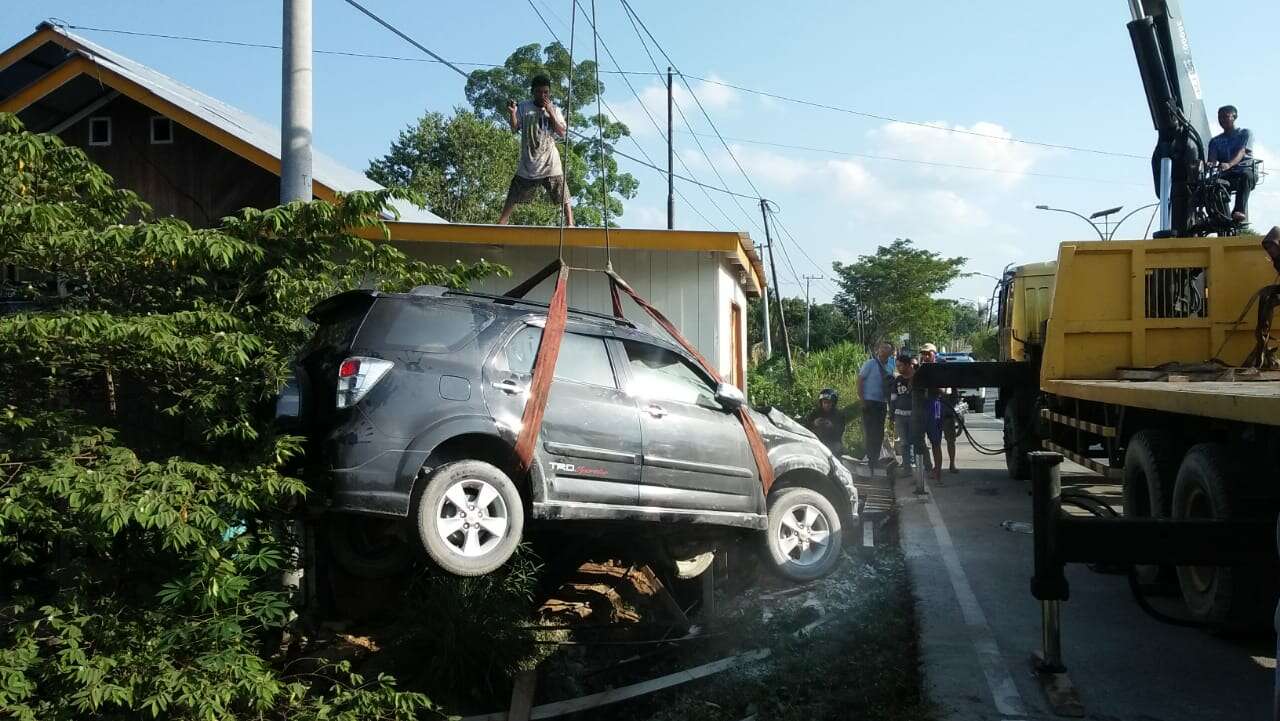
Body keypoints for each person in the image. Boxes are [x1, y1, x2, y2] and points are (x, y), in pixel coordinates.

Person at [497, 75, 574, 226]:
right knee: (514, 192)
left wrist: (550, 112)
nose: (543, 96)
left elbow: (561, 132)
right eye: (539, 92)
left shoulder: (555, 109)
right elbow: (514, 127)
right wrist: (512, 112)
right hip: (530, 161)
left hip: (549, 161)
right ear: (533, 92)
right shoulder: (525, 107)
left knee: (562, 192)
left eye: (546, 92)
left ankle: (570, 223)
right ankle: (502, 222)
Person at [1206, 105, 1257, 223]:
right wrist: (1205, 164)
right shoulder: (1215, 141)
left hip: (1244, 171)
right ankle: (1219, 216)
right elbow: (1212, 161)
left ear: (1234, 117)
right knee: (1209, 184)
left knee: (1246, 175)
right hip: (1228, 175)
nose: (1222, 120)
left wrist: (1229, 164)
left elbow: (1242, 151)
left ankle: (1239, 211)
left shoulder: (1245, 133)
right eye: (1219, 117)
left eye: (1225, 116)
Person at [857, 342, 895, 470]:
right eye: (883, 348)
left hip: (882, 403)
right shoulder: (870, 364)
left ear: (891, 353)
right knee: (869, 432)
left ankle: (875, 459)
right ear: (878, 350)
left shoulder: (891, 365)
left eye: (887, 349)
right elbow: (860, 380)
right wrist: (862, 400)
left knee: (879, 433)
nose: (884, 350)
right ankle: (869, 459)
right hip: (869, 402)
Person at [889, 352, 920, 473]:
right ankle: (907, 468)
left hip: (914, 415)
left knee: (916, 441)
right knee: (904, 443)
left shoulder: (917, 378)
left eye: (900, 366)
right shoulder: (898, 381)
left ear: (908, 365)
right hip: (900, 416)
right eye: (897, 366)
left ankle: (920, 467)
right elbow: (893, 398)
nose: (898, 368)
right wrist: (891, 415)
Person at [804, 388, 849, 455]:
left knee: (835, 448)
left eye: (829, 403)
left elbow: (840, 432)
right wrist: (814, 423)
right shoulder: (815, 413)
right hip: (816, 441)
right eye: (824, 402)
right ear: (821, 402)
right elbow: (805, 428)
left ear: (833, 403)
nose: (826, 405)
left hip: (833, 442)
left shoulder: (839, 415)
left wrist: (831, 426)